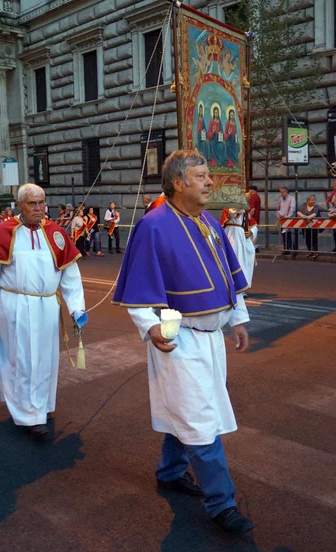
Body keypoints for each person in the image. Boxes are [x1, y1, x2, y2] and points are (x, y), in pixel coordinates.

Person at [113, 150, 254, 535]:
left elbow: (230, 278)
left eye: (209, 175)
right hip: (177, 332)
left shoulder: (208, 222)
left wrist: (237, 320)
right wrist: (149, 326)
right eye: (202, 176)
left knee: (190, 410)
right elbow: (140, 287)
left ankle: (171, 472)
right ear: (178, 183)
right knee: (199, 419)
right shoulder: (154, 226)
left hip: (211, 339)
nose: (211, 182)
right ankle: (222, 503)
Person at [0, 184, 86, 438]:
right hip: (14, 307)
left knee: (45, 359)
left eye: (42, 203)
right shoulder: (3, 232)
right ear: (20, 206)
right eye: (33, 204)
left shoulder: (55, 233)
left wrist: (77, 309)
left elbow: (70, 276)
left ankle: (41, 405)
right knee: (21, 359)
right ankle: (27, 414)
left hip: (47, 307)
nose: (39, 209)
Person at [220, 208, 257, 289]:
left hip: (240, 236)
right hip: (229, 235)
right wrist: (241, 208)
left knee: (243, 259)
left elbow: (254, 225)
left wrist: (251, 232)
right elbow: (232, 213)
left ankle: (241, 286)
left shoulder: (245, 211)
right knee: (230, 259)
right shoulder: (228, 208)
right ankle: (229, 285)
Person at [297, 194, 321, 258]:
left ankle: (316, 252)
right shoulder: (303, 205)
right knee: (307, 239)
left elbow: (315, 213)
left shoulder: (316, 206)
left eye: (314, 200)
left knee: (314, 238)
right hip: (305, 225)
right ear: (308, 200)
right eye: (312, 200)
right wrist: (303, 216)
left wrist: (308, 217)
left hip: (314, 225)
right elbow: (298, 212)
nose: (313, 201)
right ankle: (311, 251)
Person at [276, 187, 296, 255]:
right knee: (284, 235)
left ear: (286, 192)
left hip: (288, 219)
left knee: (288, 234)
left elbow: (292, 208)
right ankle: (286, 249)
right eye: (280, 192)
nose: (281, 194)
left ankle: (291, 248)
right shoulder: (280, 200)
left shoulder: (291, 199)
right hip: (282, 219)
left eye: (282, 192)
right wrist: (278, 215)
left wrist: (289, 215)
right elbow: (278, 208)